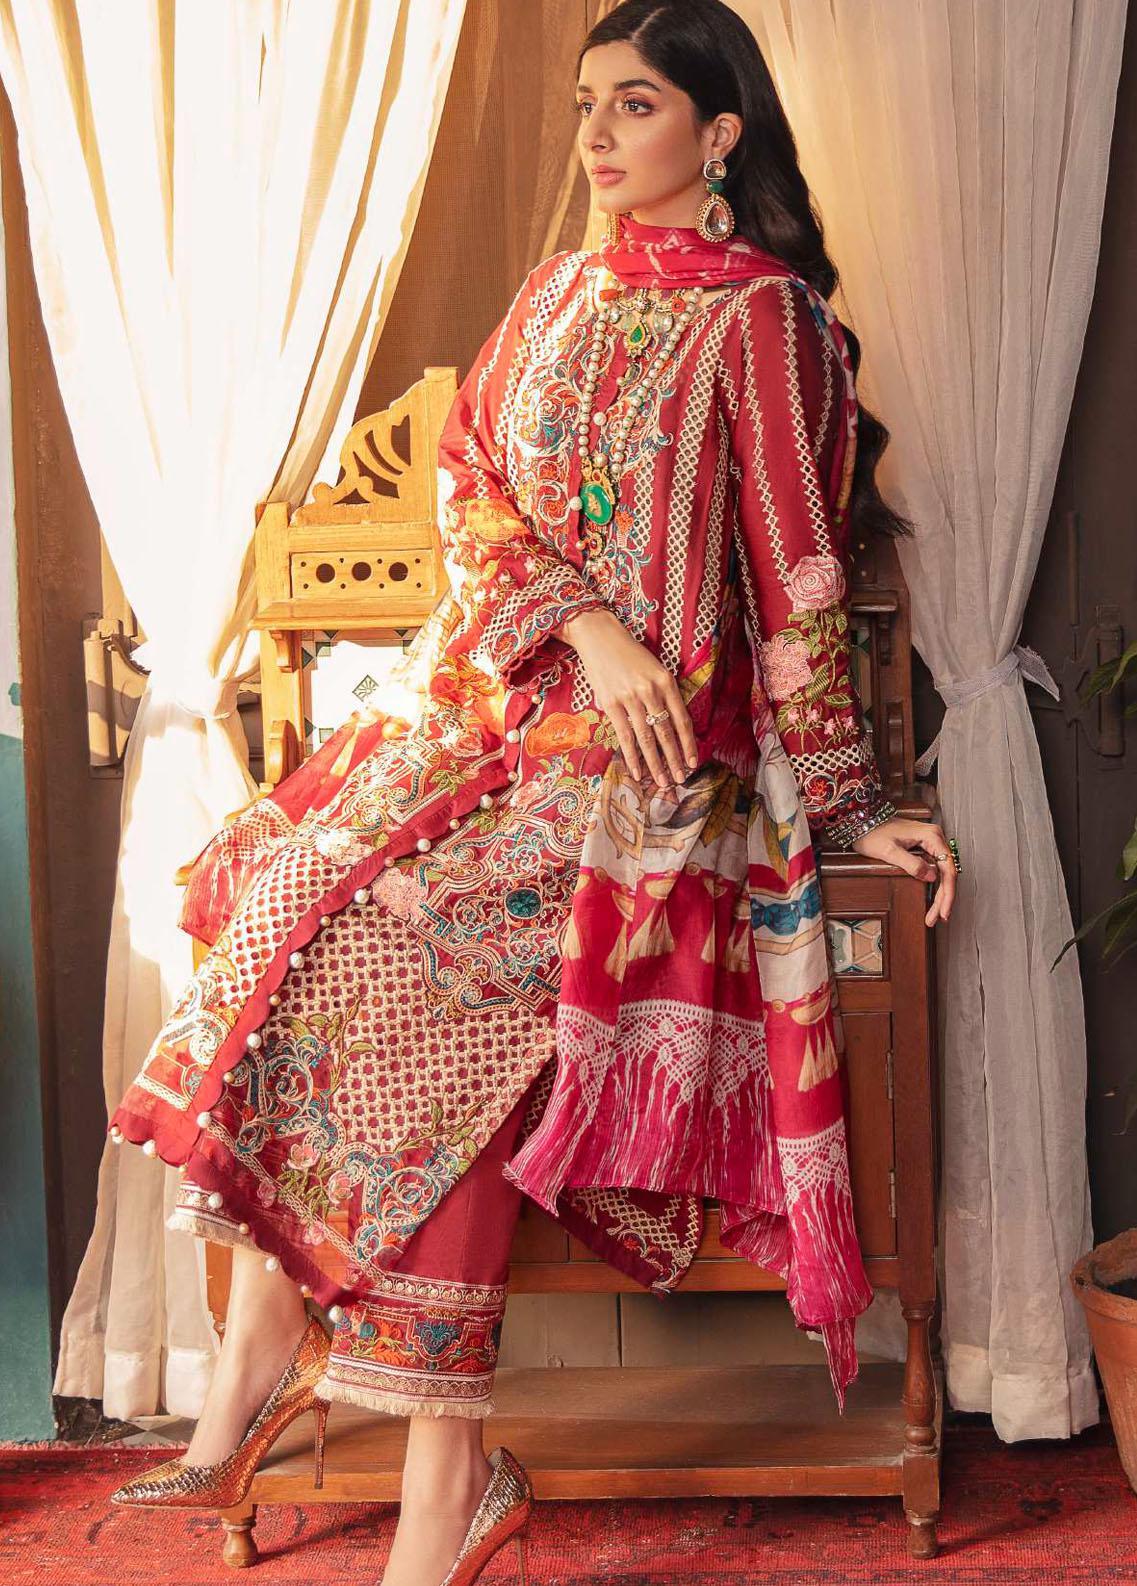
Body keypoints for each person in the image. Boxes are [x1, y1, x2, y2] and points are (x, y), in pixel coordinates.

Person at [106, 2, 957, 1582]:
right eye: (584, 105)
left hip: (653, 774)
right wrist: (584, 627)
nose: (596, 133)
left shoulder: (767, 322)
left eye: (633, 104)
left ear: (718, 133)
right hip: (490, 718)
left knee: (441, 964)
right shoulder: (556, 292)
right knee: (280, 890)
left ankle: (434, 1473)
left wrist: (846, 804)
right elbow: (468, 485)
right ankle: (286, 1354)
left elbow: (798, 576)